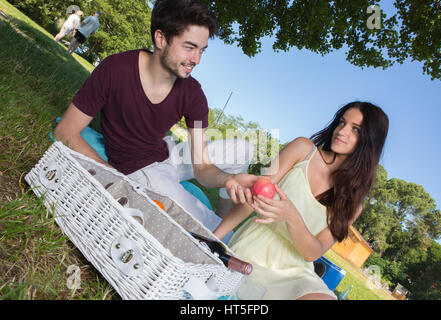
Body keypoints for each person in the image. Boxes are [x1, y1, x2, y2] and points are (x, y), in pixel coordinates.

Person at [54, 0, 257, 233]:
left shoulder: (194, 94)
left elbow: (203, 167)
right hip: (142, 171)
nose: (197, 59)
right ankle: (221, 232)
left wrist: (227, 180)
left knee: (244, 149)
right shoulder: (115, 69)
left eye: (201, 50)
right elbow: (65, 132)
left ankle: (224, 219)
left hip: (167, 153)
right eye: (189, 47)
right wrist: (118, 180)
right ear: (161, 39)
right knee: (220, 235)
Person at [213, 101, 389, 300]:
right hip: (254, 252)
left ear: (369, 142)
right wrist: (213, 240)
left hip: (296, 270)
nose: (341, 131)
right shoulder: (303, 149)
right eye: (341, 122)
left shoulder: (353, 205)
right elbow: (253, 198)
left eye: (355, 129)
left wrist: (292, 217)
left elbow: (313, 253)